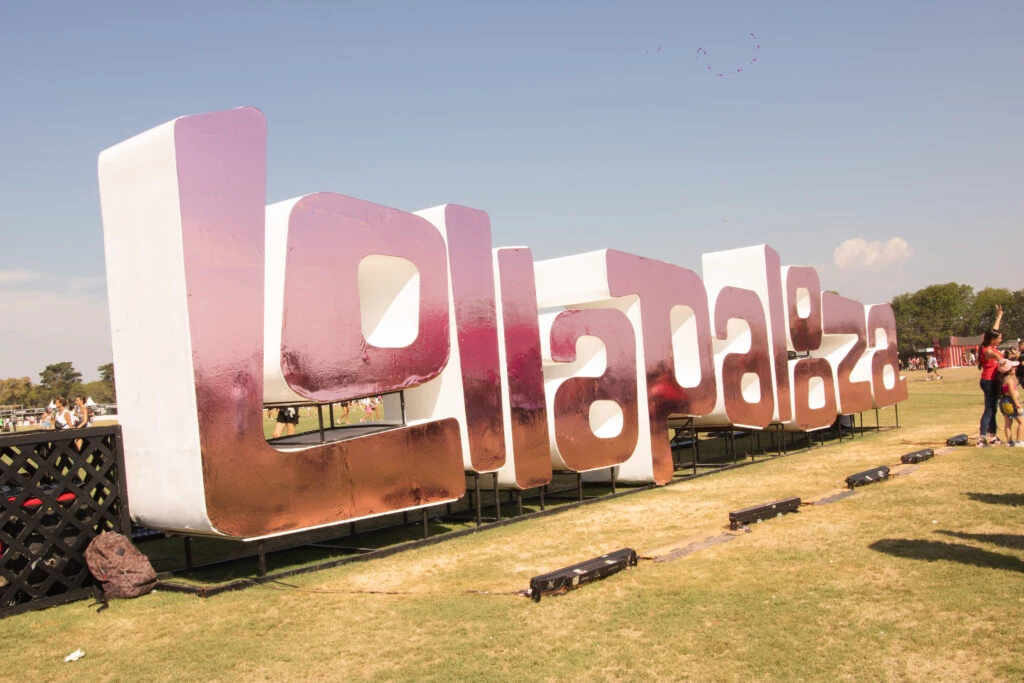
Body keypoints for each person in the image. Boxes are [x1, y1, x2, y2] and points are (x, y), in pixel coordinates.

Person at [977, 305, 1004, 447]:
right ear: (993, 340)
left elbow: (994, 330)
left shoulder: (990, 346)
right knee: (989, 409)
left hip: (992, 381)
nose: (1000, 340)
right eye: (999, 339)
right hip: (988, 381)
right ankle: (981, 438)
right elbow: (1000, 360)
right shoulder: (989, 351)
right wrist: (1004, 360)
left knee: (993, 408)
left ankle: (993, 436)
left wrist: (999, 316)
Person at [998, 352, 1023, 446]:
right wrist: (1017, 405)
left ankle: (1009, 441)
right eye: (1013, 367)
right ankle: (1019, 440)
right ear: (1008, 370)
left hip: (1004, 402)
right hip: (1011, 402)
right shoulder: (1010, 380)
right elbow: (1012, 393)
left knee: (1008, 423)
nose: (1015, 368)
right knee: (1021, 422)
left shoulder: (1002, 380)